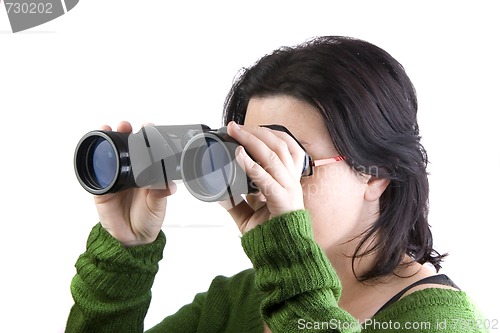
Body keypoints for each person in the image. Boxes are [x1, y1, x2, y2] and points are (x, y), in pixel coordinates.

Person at [65, 36, 487, 332]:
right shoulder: (239, 301)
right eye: (250, 154)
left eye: (286, 159)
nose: (263, 182)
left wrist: (287, 258)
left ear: (376, 174)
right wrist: (125, 252)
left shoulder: (441, 321)